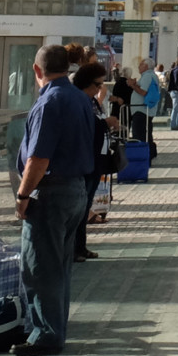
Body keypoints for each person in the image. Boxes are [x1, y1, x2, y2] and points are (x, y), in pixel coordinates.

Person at [13, 44, 101, 356]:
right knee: (59, 266)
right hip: (77, 188)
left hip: (51, 192)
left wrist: (23, 195)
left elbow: (38, 157)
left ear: (37, 71)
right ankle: (54, 328)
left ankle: (45, 335)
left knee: (40, 267)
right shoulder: (80, 97)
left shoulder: (49, 101)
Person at [71, 63, 110, 262]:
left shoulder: (92, 101)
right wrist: (106, 123)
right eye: (97, 84)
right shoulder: (79, 101)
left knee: (85, 207)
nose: (99, 89)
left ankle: (80, 246)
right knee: (79, 207)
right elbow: (88, 127)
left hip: (97, 160)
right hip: (87, 161)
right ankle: (74, 248)